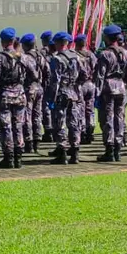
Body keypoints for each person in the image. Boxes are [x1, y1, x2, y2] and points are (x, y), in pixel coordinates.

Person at [0, 28, 35, 168]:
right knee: (18, 126)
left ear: (3, 42)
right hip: (20, 95)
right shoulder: (23, 57)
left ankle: (8, 158)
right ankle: (18, 157)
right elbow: (34, 76)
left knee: (6, 127)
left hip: (5, 96)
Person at [93, 25, 127, 162]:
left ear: (107, 38)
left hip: (108, 88)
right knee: (119, 117)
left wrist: (97, 93)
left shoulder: (105, 54)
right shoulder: (125, 53)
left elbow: (100, 75)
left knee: (108, 118)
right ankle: (118, 149)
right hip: (121, 87)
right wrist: (123, 81)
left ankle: (109, 149)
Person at [47, 32, 81, 165]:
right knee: (73, 123)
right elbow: (79, 75)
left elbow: (55, 81)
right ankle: (75, 153)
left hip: (61, 93)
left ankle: (62, 154)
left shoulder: (57, 59)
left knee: (60, 123)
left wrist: (52, 99)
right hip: (73, 92)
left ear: (57, 43)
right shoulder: (75, 57)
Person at [21, 34, 46, 154]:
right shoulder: (40, 56)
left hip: (29, 88)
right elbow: (47, 72)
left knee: (27, 115)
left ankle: (29, 142)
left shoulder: (25, 58)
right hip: (39, 88)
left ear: (24, 45)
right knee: (37, 115)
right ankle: (37, 140)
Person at [74, 34, 98, 145]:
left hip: (80, 84)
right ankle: (91, 129)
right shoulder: (91, 55)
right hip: (91, 84)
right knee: (90, 108)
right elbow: (96, 69)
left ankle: (83, 131)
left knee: (81, 109)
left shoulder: (75, 55)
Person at [39, 30, 55, 142]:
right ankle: (54, 130)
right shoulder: (58, 52)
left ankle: (48, 130)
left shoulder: (42, 53)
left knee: (45, 107)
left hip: (46, 83)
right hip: (57, 84)